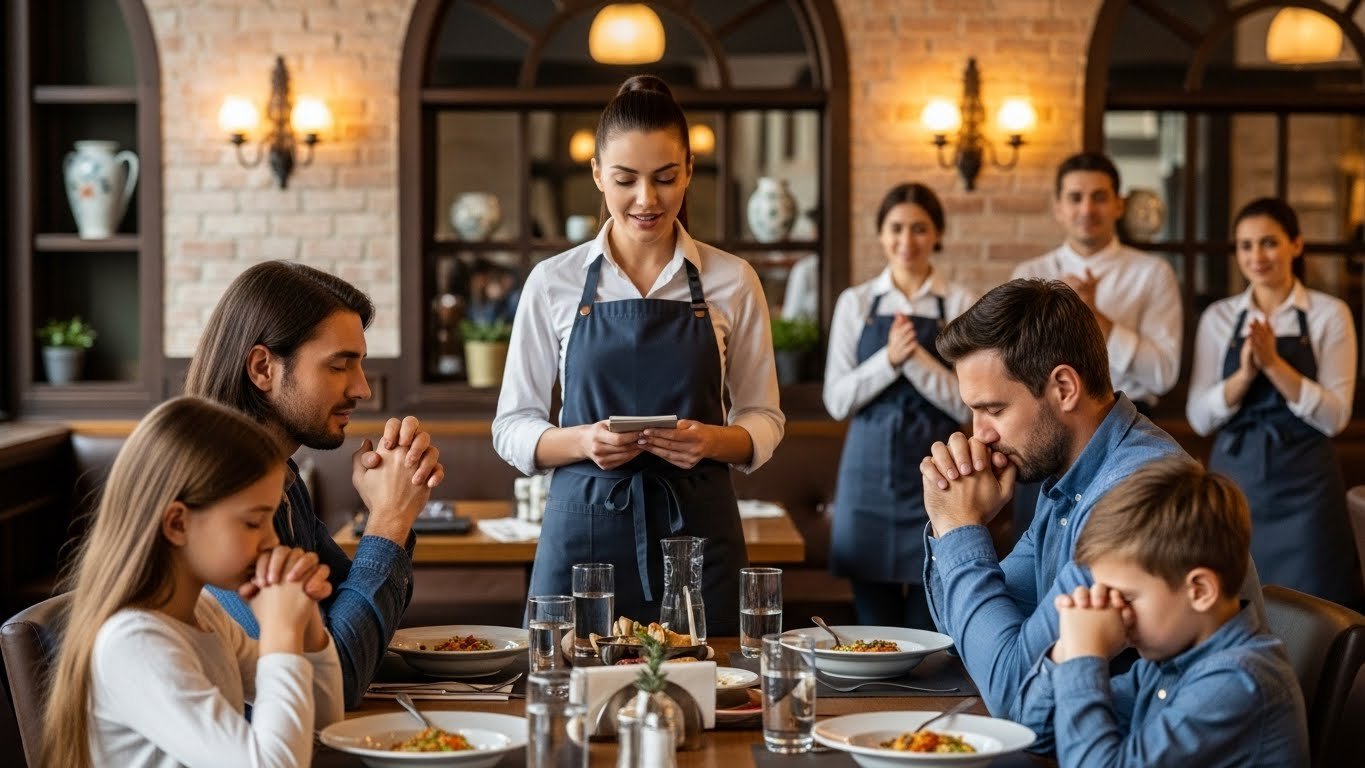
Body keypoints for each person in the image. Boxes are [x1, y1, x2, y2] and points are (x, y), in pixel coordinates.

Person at [492, 75, 785, 634]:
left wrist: (710, 441)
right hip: (584, 540)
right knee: (576, 706)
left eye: (665, 178)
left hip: (698, 541)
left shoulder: (732, 280)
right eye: (626, 179)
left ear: (689, 173)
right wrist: (583, 441)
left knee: (715, 701)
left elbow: (763, 417)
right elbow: (511, 427)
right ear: (598, 174)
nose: (646, 200)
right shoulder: (553, 281)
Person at [918, 278, 1190, 720]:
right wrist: (958, 529)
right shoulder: (1073, 476)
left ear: (1064, 387)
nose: (978, 434)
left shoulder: (1138, 497)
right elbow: (972, 634)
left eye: (993, 409)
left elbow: (1009, 688)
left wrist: (959, 529)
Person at [184, 260, 445, 707]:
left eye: (360, 365)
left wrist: (392, 514)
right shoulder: (216, 502)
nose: (363, 389)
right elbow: (332, 686)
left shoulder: (281, 480)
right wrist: (389, 518)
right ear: (263, 368)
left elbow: (352, 627)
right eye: (340, 366)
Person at [43, 396, 344, 768]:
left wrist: (308, 624)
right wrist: (280, 632)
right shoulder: (134, 643)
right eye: (253, 522)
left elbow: (324, 731)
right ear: (178, 523)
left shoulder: (205, 614)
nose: (271, 540)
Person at [1015, 458, 1308, 766]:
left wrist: (1084, 657)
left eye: (1125, 597)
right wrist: (1065, 652)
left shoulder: (1237, 684)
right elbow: (1036, 734)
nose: (1115, 612)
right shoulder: (1166, 662)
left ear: (1200, 591)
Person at [1187, 197, 1363, 609]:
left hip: (1308, 486)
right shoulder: (1219, 317)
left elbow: (1336, 417)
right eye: (1245, 245)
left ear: (1296, 245)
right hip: (1236, 481)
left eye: (1269, 243)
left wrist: (1274, 365)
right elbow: (1198, 417)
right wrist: (1246, 375)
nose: (1256, 256)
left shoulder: (1329, 315)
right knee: (1233, 599)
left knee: (1315, 605)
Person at [823, 182, 974, 627]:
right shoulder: (855, 303)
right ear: (881, 234)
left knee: (929, 626)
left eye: (919, 229)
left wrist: (918, 362)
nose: (906, 241)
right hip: (866, 479)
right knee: (873, 628)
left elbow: (967, 404)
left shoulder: (961, 303)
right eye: (896, 228)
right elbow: (836, 401)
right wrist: (889, 360)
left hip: (938, 475)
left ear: (937, 235)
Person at [1009, 153, 1183, 538]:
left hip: (1125, 437)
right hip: (1042, 435)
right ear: (1058, 207)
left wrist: (1098, 319)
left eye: (1099, 197)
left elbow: (1164, 373)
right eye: (1075, 197)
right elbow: (1015, 370)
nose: (1087, 208)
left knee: (1116, 549)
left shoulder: (1153, 273)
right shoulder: (1028, 276)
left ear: (1119, 204)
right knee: (1033, 551)